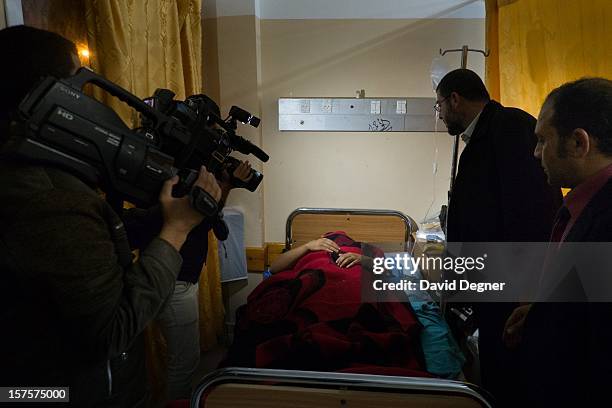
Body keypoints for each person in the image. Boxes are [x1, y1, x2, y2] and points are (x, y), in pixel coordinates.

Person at [0, 25, 222, 407]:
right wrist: (177, 227)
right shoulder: (51, 200)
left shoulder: (26, 174)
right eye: (78, 82)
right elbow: (111, 331)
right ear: (53, 97)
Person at [435, 69, 561, 406]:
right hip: (495, 280)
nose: (441, 114)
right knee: (497, 366)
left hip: (513, 283)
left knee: (510, 372)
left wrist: (525, 290)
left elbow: (531, 213)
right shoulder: (485, 136)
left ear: (454, 99)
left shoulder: (509, 128)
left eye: (439, 106)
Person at [506, 78, 612, 406]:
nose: (536, 153)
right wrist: (541, 315)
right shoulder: (585, 207)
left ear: (579, 143)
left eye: (542, 140)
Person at [124, 160, 254, 401]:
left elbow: (209, 213)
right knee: (184, 361)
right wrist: (226, 184)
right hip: (175, 284)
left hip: (179, 281)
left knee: (183, 359)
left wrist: (227, 184)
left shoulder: (182, 195)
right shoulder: (177, 194)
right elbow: (206, 211)